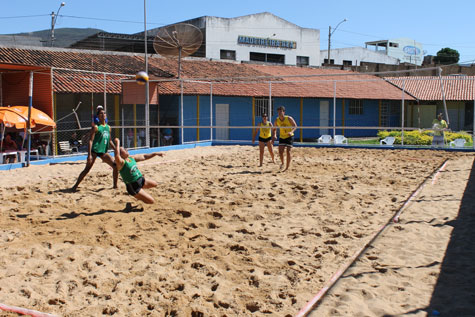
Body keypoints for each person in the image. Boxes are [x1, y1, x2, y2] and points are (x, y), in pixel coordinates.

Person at [72, 108, 118, 191]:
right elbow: (90, 141)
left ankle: (115, 186)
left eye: (104, 113)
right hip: (94, 151)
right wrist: (89, 155)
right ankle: (75, 186)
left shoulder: (108, 127)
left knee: (115, 166)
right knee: (87, 170)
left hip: (103, 152)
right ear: (98, 116)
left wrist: (116, 149)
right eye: (101, 113)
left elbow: (110, 140)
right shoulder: (96, 127)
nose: (103, 115)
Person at [113, 138, 164, 204]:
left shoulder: (132, 158)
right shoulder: (121, 163)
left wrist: (155, 153)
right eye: (124, 150)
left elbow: (144, 157)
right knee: (151, 201)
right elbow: (117, 155)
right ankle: (138, 195)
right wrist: (117, 143)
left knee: (155, 184)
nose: (126, 150)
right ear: (121, 154)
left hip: (141, 180)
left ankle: (141, 193)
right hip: (133, 187)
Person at [273, 106, 297, 172]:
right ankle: (283, 163)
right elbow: (274, 129)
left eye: (281, 111)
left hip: (289, 136)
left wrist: (291, 131)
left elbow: (295, 126)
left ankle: (287, 168)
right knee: (280, 151)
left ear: (284, 112)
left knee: (288, 151)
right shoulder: (277, 120)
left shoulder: (289, 118)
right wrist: (274, 135)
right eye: (278, 112)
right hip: (282, 137)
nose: (279, 113)